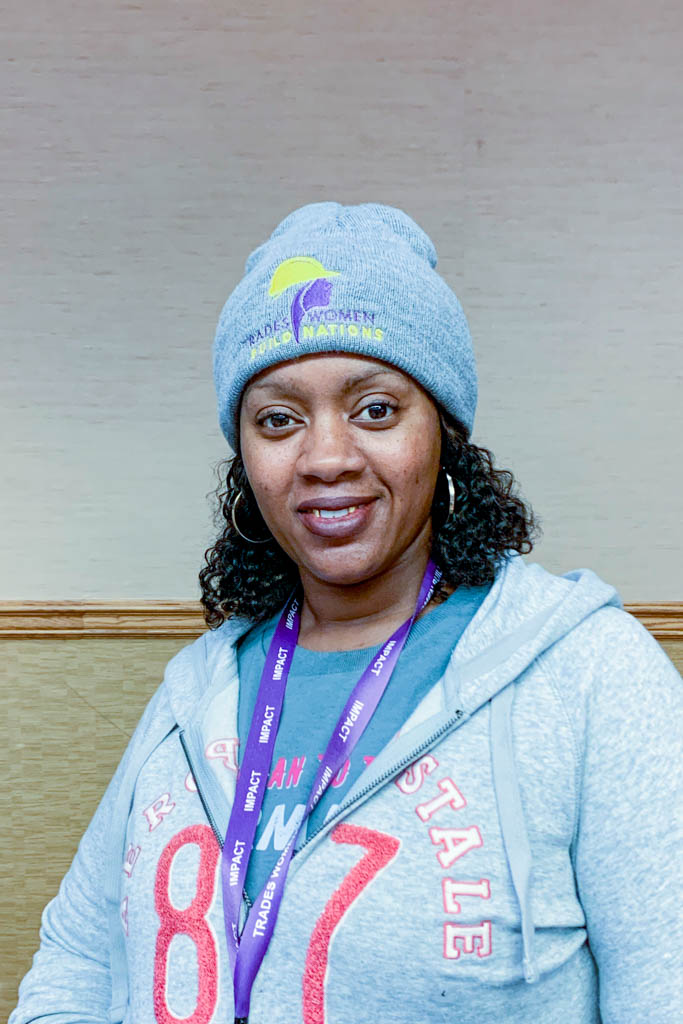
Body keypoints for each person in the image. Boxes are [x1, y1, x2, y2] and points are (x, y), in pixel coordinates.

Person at [11, 202, 682, 1024]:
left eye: (375, 410)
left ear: (443, 435)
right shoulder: (197, 689)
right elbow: (77, 960)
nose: (325, 458)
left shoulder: (590, 675)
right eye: (278, 420)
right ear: (244, 459)